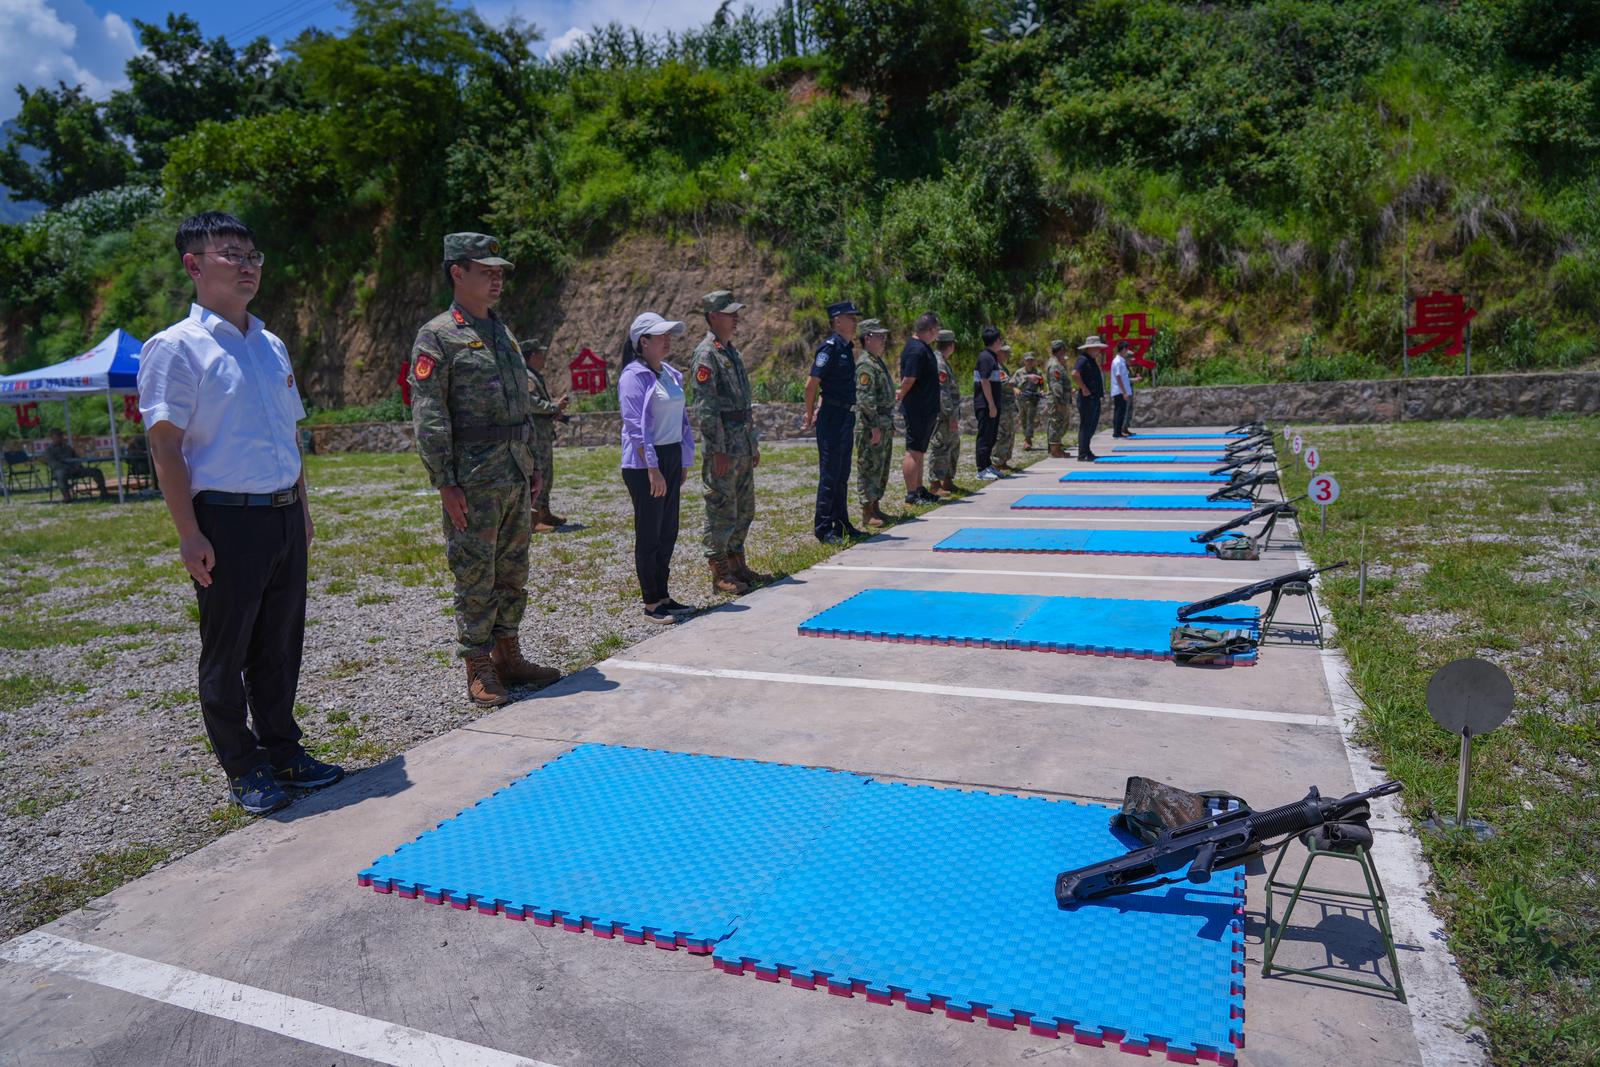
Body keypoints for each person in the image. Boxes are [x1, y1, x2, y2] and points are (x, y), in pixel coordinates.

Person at [138, 210, 340, 816]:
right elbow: (165, 445)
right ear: (193, 265)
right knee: (227, 649)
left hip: (281, 514)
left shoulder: (270, 342)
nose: (248, 265)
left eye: (253, 255)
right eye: (231, 254)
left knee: (279, 643)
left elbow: (290, 433)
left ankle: (284, 750)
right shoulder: (176, 347)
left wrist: (300, 507)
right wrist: (188, 532)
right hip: (225, 519)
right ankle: (244, 766)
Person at [410, 232, 560, 709]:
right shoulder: (438, 335)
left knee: (513, 571)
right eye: (486, 271)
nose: (496, 279)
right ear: (458, 272)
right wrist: (445, 481)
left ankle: (508, 652)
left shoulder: (502, 331)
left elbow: (520, 405)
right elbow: (429, 414)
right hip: (472, 478)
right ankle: (478, 664)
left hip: (514, 469)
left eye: (499, 272)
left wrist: (531, 462)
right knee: (475, 573)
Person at [688, 290, 768, 595]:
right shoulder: (706, 354)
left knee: (744, 508)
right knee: (721, 508)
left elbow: (743, 405)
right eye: (730, 312)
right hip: (724, 446)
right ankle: (720, 571)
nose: (736, 317)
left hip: (741, 443)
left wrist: (752, 444)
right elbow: (706, 409)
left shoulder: (730, 351)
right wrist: (717, 449)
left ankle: (737, 564)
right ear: (712, 316)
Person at [619, 313, 697, 623]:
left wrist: (684, 459)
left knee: (668, 531)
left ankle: (664, 595)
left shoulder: (670, 374)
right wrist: (652, 467)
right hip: (643, 463)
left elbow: (683, 420)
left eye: (669, 335)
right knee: (649, 533)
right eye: (660, 335)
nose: (667, 340)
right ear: (643, 342)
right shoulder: (633, 376)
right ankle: (651, 603)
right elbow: (635, 427)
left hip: (670, 456)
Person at [801, 300, 864, 544]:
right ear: (838, 321)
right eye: (851, 317)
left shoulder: (847, 347)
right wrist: (809, 412)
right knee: (829, 474)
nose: (855, 321)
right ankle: (823, 528)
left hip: (845, 415)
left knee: (842, 472)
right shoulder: (829, 348)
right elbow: (811, 385)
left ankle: (841, 523)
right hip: (832, 417)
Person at [521, 338, 569, 531]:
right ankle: (533, 518)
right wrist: (553, 407)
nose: (544, 358)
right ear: (532, 356)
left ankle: (544, 512)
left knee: (547, 473)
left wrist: (553, 411)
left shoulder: (534, 376)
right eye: (541, 354)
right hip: (535, 434)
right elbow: (531, 403)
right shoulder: (527, 377)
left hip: (542, 432)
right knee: (537, 472)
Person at [853, 318, 896, 528]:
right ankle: (867, 512)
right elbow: (865, 400)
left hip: (883, 423)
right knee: (869, 465)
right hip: (872, 425)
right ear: (867, 338)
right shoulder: (865, 364)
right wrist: (874, 426)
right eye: (879, 336)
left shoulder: (877, 362)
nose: (883, 340)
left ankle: (876, 505)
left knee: (881, 467)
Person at [896, 311, 941, 505]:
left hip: (926, 408)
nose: (938, 333)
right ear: (930, 330)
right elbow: (908, 379)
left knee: (920, 451)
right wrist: (902, 395)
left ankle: (919, 489)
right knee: (913, 450)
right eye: (937, 329)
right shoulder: (916, 349)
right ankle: (911, 494)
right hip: (917, 408)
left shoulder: (923, 347)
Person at [927, 328, 962, 495]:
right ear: (951, 345)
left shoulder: (943, 361)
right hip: (943, 416)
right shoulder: (939, 363)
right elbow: (943, 393)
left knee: (952, 446)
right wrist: (950, 415)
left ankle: (947, 480)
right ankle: (935, 484)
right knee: (940, 447)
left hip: (949, 414)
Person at [973, 326, 1005, 481]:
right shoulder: (986, 357)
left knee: (991, 436)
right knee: (985, 436)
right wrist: (991, 404)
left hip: (992, 404)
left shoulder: (992, 357)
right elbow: (984, 381)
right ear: (996, 340)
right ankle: (981, 469)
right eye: (1000, 340)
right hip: (985, 404)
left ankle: (987, 464)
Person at [1071, 334, 1109, 462]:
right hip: (1087, 398)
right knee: (1086, 426)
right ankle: (1082, 454)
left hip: (1094, 398)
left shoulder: (1090, 360)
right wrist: (1084, 388)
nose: (1098, 351)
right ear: (1089, 348)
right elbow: (1075, 373)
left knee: (1092, 426)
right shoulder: (1083, 359)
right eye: (1096, 348)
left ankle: (1087, 450)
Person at [43, 429, 107, 501]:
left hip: (75, 469)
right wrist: (68, 468)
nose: (60, 438)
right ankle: (67, 497)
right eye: (57, 436)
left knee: (96, 471)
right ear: (52, 438)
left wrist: (78, 465)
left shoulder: (67, 447)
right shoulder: (49, 450)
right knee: (60, 474)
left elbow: (76, 458)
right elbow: (54, 464)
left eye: (60, 436)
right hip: (63, 471)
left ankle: (104, 492)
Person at [1044, 339, 1073, 459]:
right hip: (1057, 400)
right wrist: (1059, 401)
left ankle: (1057, 448)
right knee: (1056, 423)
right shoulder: (1055, 365)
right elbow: (1056, 385)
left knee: (1061, 423)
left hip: (1060, 399)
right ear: (1061, 350)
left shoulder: (1056, 363)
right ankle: (1055, 451)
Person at [993, 342, 1017, 471]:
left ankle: (1003, 460)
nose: (1007, 354)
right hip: (1002, 406)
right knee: (1002, 434)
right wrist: (1023, 377)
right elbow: (1006, 383)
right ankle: (997, 461)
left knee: (1008, 433)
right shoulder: (997, 367)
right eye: (1005, 352)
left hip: (1007, 407)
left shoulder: (1002, 366)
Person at [1016, 352, 1045, 450]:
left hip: (1032, 399)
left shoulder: (1038, 373)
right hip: (1021, 399)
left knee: (1030, 419)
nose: (1029, 362)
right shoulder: (1019, 372)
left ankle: (1028, 439)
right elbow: (1012, 383)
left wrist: (1041, 391)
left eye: (1031, 360)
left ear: (1034, 361)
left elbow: (1041, 385)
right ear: (1024, 361)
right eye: (1027, 360)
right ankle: (1026, 437)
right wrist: (1017, 390)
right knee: (1023, 419)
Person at [1110, 341, 1138, 437]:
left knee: (1121, 411)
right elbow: (1118, 376)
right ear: (1123, 349)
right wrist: (1124, 392)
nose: (1127, 352)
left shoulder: (1121, 360)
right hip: (1119, 391)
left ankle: (1118, 432)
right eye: (1126, 350)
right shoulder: (1117, 361)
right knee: (1119, 412)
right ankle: (1117, 432)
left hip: (1121, 390)